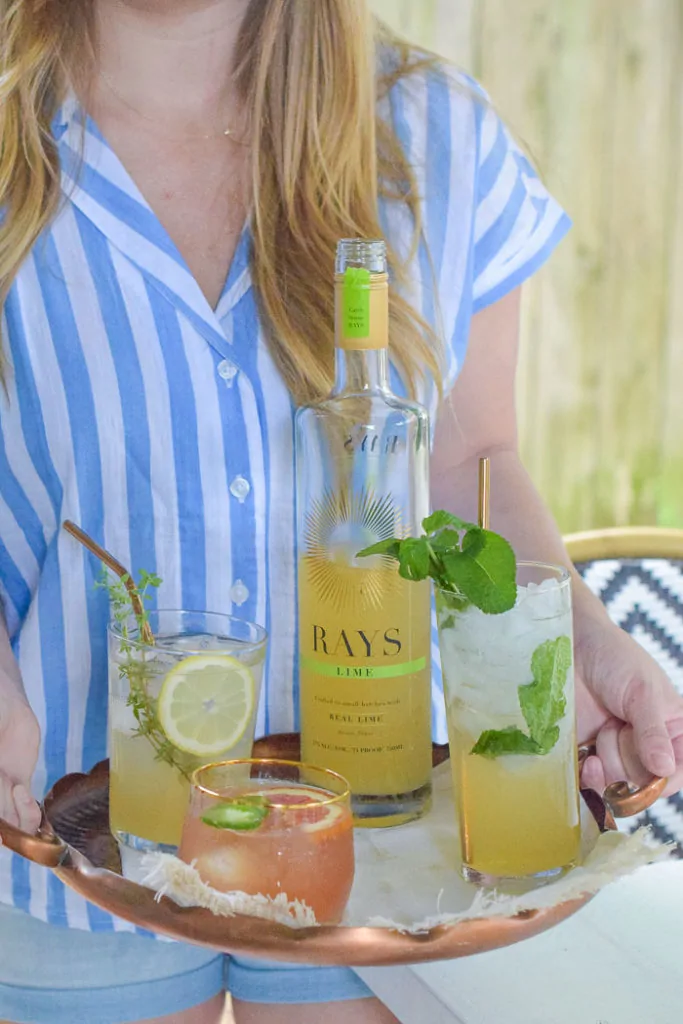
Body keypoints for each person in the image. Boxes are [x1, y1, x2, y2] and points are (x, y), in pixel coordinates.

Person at [0, 1, 681, 1022]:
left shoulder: (436, 135)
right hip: (69, 850)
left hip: (393, 848)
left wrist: (572, 634)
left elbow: (470, 463)